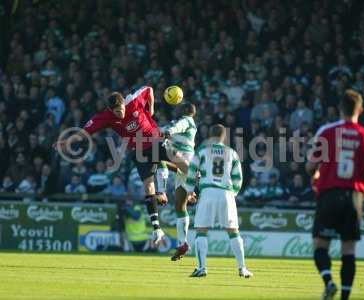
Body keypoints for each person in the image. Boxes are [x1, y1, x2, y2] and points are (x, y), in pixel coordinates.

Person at [55, 86, 187, 245]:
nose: (121, 114)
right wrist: (68, 141)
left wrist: (150, 109)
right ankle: (157, 230)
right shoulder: (105, 117)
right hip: (138, 151)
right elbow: (85, 132)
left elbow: (149, 90)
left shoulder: (133, 100)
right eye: (117, 112)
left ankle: (196, 187)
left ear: (125, 103)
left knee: (182, 162)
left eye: (122, 110)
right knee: (149, 188)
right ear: (111, 110)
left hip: (155, 141)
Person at [306, 89, 364, 300]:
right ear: (361, 110)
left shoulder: (327, 131)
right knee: (348, 250)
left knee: (320, 244)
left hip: (329, 193)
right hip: (354, 197)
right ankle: (345, 297)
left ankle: (329, 282)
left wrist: (315, 175)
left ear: (340, 109)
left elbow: (311, 164)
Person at [186, 124, 253, 278]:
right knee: (233, 231)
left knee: (201, 230)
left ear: (210, 135)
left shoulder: (202, 152)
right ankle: (242, 268)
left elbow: (191, 172)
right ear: (224, 137)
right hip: (226, 193)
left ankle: (202, 268)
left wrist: (190, 191)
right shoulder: (232, 153)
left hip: (208, 192)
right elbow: (238, 178)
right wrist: (232, 194)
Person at [156, 103, 197, 261]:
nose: (176, 109)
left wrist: (169, 131)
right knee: (180, 206)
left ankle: (162, 191)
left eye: (179, 108)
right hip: (181, 164)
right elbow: (162, 129)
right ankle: (182, 243)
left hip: (185, 159)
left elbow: (176, 127)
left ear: (186, 111)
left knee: (158, 158)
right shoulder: (177, 122)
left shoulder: (187, 120)